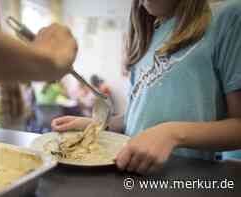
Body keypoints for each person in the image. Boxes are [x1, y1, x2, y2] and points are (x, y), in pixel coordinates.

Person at [52, 0, 241, 175]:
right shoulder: (147, 36)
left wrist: (172, 134)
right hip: (130, 174)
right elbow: (136, 120)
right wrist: (96, 126)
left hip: (187, 178)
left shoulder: (227, 17)